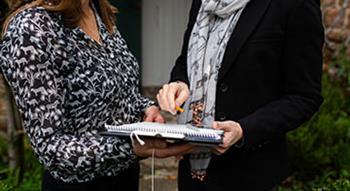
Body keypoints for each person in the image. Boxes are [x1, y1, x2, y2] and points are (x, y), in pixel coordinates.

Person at [0, 0, 191, 190]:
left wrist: (145, 109)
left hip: (126, 178)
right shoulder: (31, 29)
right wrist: (128, 147)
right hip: (79, 185)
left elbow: (117, 90)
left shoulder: (96, 10)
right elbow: (50, 148)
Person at [157, 0, 324, 190]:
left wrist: (244, 130)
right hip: (192, 172)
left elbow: (304, 96)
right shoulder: (203, 2)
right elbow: (184, 62)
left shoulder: (295, 4)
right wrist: (179, 83)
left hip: (249, 174)